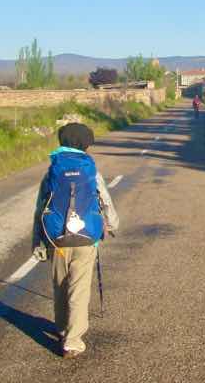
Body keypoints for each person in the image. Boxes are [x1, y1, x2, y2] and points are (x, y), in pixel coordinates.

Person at [32, 122, 119, 358]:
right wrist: (111, 224)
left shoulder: (52, 171)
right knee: (79, 289)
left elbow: (40, 209)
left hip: (56, 240)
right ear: (85, 144)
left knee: (60, 285)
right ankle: (73, 341)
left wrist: (37, 242)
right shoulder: (91, 170)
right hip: (86, 239)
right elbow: (105, 200)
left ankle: (62, 328)